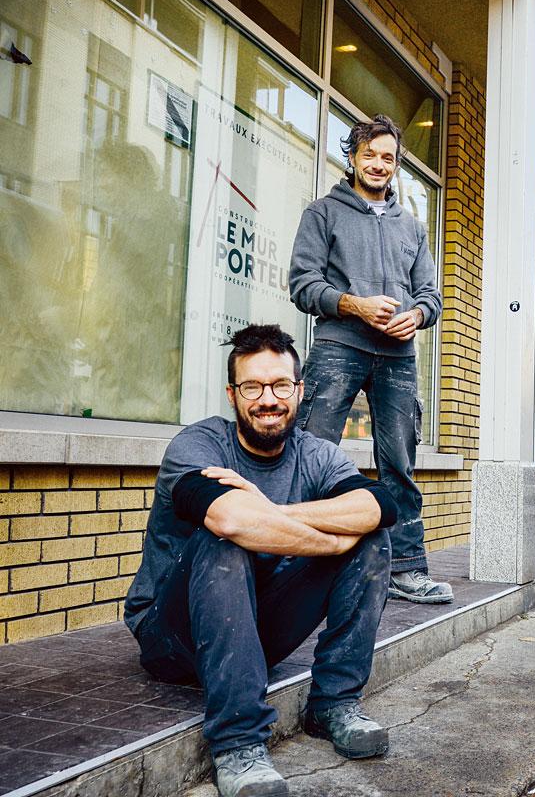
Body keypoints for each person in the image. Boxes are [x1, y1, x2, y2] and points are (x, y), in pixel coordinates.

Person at [124, 325, 398, 797]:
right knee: (223, 539)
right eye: (252, 387)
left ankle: (333, 704)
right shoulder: (199, 446)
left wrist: (270, 514)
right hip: (170, 636)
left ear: (299, 390)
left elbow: (378, 508)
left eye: (279, 386)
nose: (266, 399)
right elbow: (230, 519)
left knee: (371, 542)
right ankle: (237, 744)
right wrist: (327, 539)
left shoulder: (318, 456)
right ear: (233, 394)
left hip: (253, 632)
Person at [289, 114, 451, 604]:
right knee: (310, 451)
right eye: (370, 155)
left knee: (399, 464)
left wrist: (419, 316)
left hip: (398, 356)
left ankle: (405, 569)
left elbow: (431, 295)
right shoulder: (323, 214)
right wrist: (354, 304)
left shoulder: (412, 227)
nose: (379, 165)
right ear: (353, 158)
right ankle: (291, 561)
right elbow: (302, 285)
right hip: (339, 344)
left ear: (396, 165)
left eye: (388, 158)